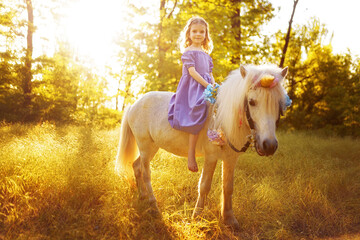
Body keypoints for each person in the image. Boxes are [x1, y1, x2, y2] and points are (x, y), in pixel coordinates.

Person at [168, 16, 216, 172]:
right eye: (194, 31)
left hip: (207, 85)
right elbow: (193, 72)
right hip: (193, 88)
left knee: (221, 106)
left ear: (206, 35)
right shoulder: (188, 52)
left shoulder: (206, 54)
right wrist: (208, 86)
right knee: (198, 109)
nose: (198, 34)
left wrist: (214, 86)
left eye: (202, 32)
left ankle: (217, 138)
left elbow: (210, 73)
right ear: (188, 34)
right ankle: (191, 154)